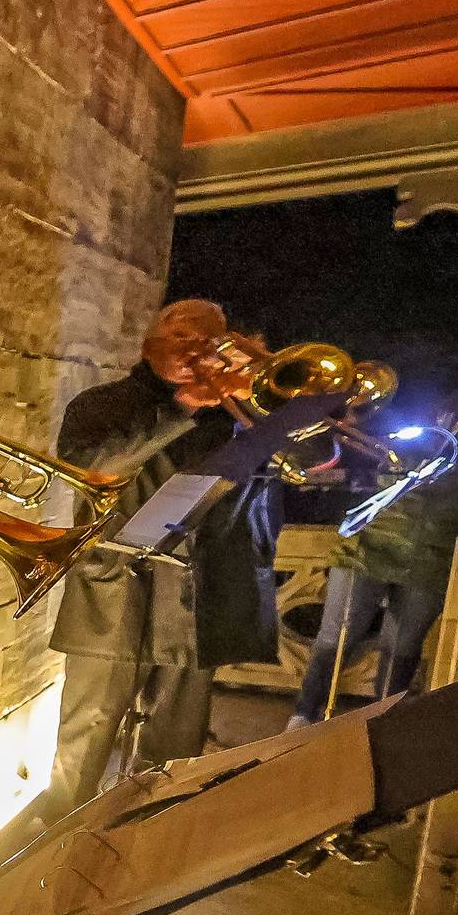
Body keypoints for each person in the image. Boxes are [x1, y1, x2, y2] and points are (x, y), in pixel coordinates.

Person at [35, 299, 277, 822]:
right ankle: (57, 837)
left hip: (198, 597)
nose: (195, 351)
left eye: (208, 341)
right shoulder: (102, 404)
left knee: (176, 745)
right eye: (182, 338)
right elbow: (93, 466)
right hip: (116, 590)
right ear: (149, 346)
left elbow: (308, 462)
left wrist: (266, 397)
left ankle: (153, 830)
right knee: (87, 733)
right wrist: (183, 407)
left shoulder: (239, 412)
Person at [289, 363, 458, 726]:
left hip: (433, 553)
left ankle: (384, 724)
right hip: (372, 542)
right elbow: (379, 450)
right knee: (336, 636)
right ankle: (303, 717)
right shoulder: (432, 422)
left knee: (402, 647)